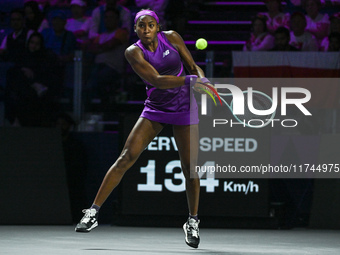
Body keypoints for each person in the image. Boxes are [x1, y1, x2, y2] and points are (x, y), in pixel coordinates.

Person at [75, 9, 216, 249]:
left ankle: (192, 221)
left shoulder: (172, 37)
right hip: (156, 108)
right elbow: (157, 80)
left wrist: (203, 80)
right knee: (125, 158)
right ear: (136, 29)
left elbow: (192, 67)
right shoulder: (133, 52)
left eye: (151, 24)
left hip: (184, 107)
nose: (147, 28)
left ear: (158, 27)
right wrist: (191, 81)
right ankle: (92, 212)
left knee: (190, 168)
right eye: (142, 25)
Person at [4, 32, 61, 127]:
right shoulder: (23, 55)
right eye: (32, 42)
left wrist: (32, 76)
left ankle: (16, 120)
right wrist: (23, 70)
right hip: (23, 89)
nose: (33, 46)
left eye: (37, 44)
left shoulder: (45, 58)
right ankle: (16, 119)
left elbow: (48, 76)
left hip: (38, 91)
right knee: (15, 76)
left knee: (20, 93)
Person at [84, 8, 128, 105]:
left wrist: (100, 48)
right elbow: (91, 48)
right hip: (98, 67)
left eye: (111, 17)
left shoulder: (121, 33)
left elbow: (111, 45)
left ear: (117, 20)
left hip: (113, 68)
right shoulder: (100, 36)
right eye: (106, 18)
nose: (109, 20)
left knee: (99, 78)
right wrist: (102, 47)